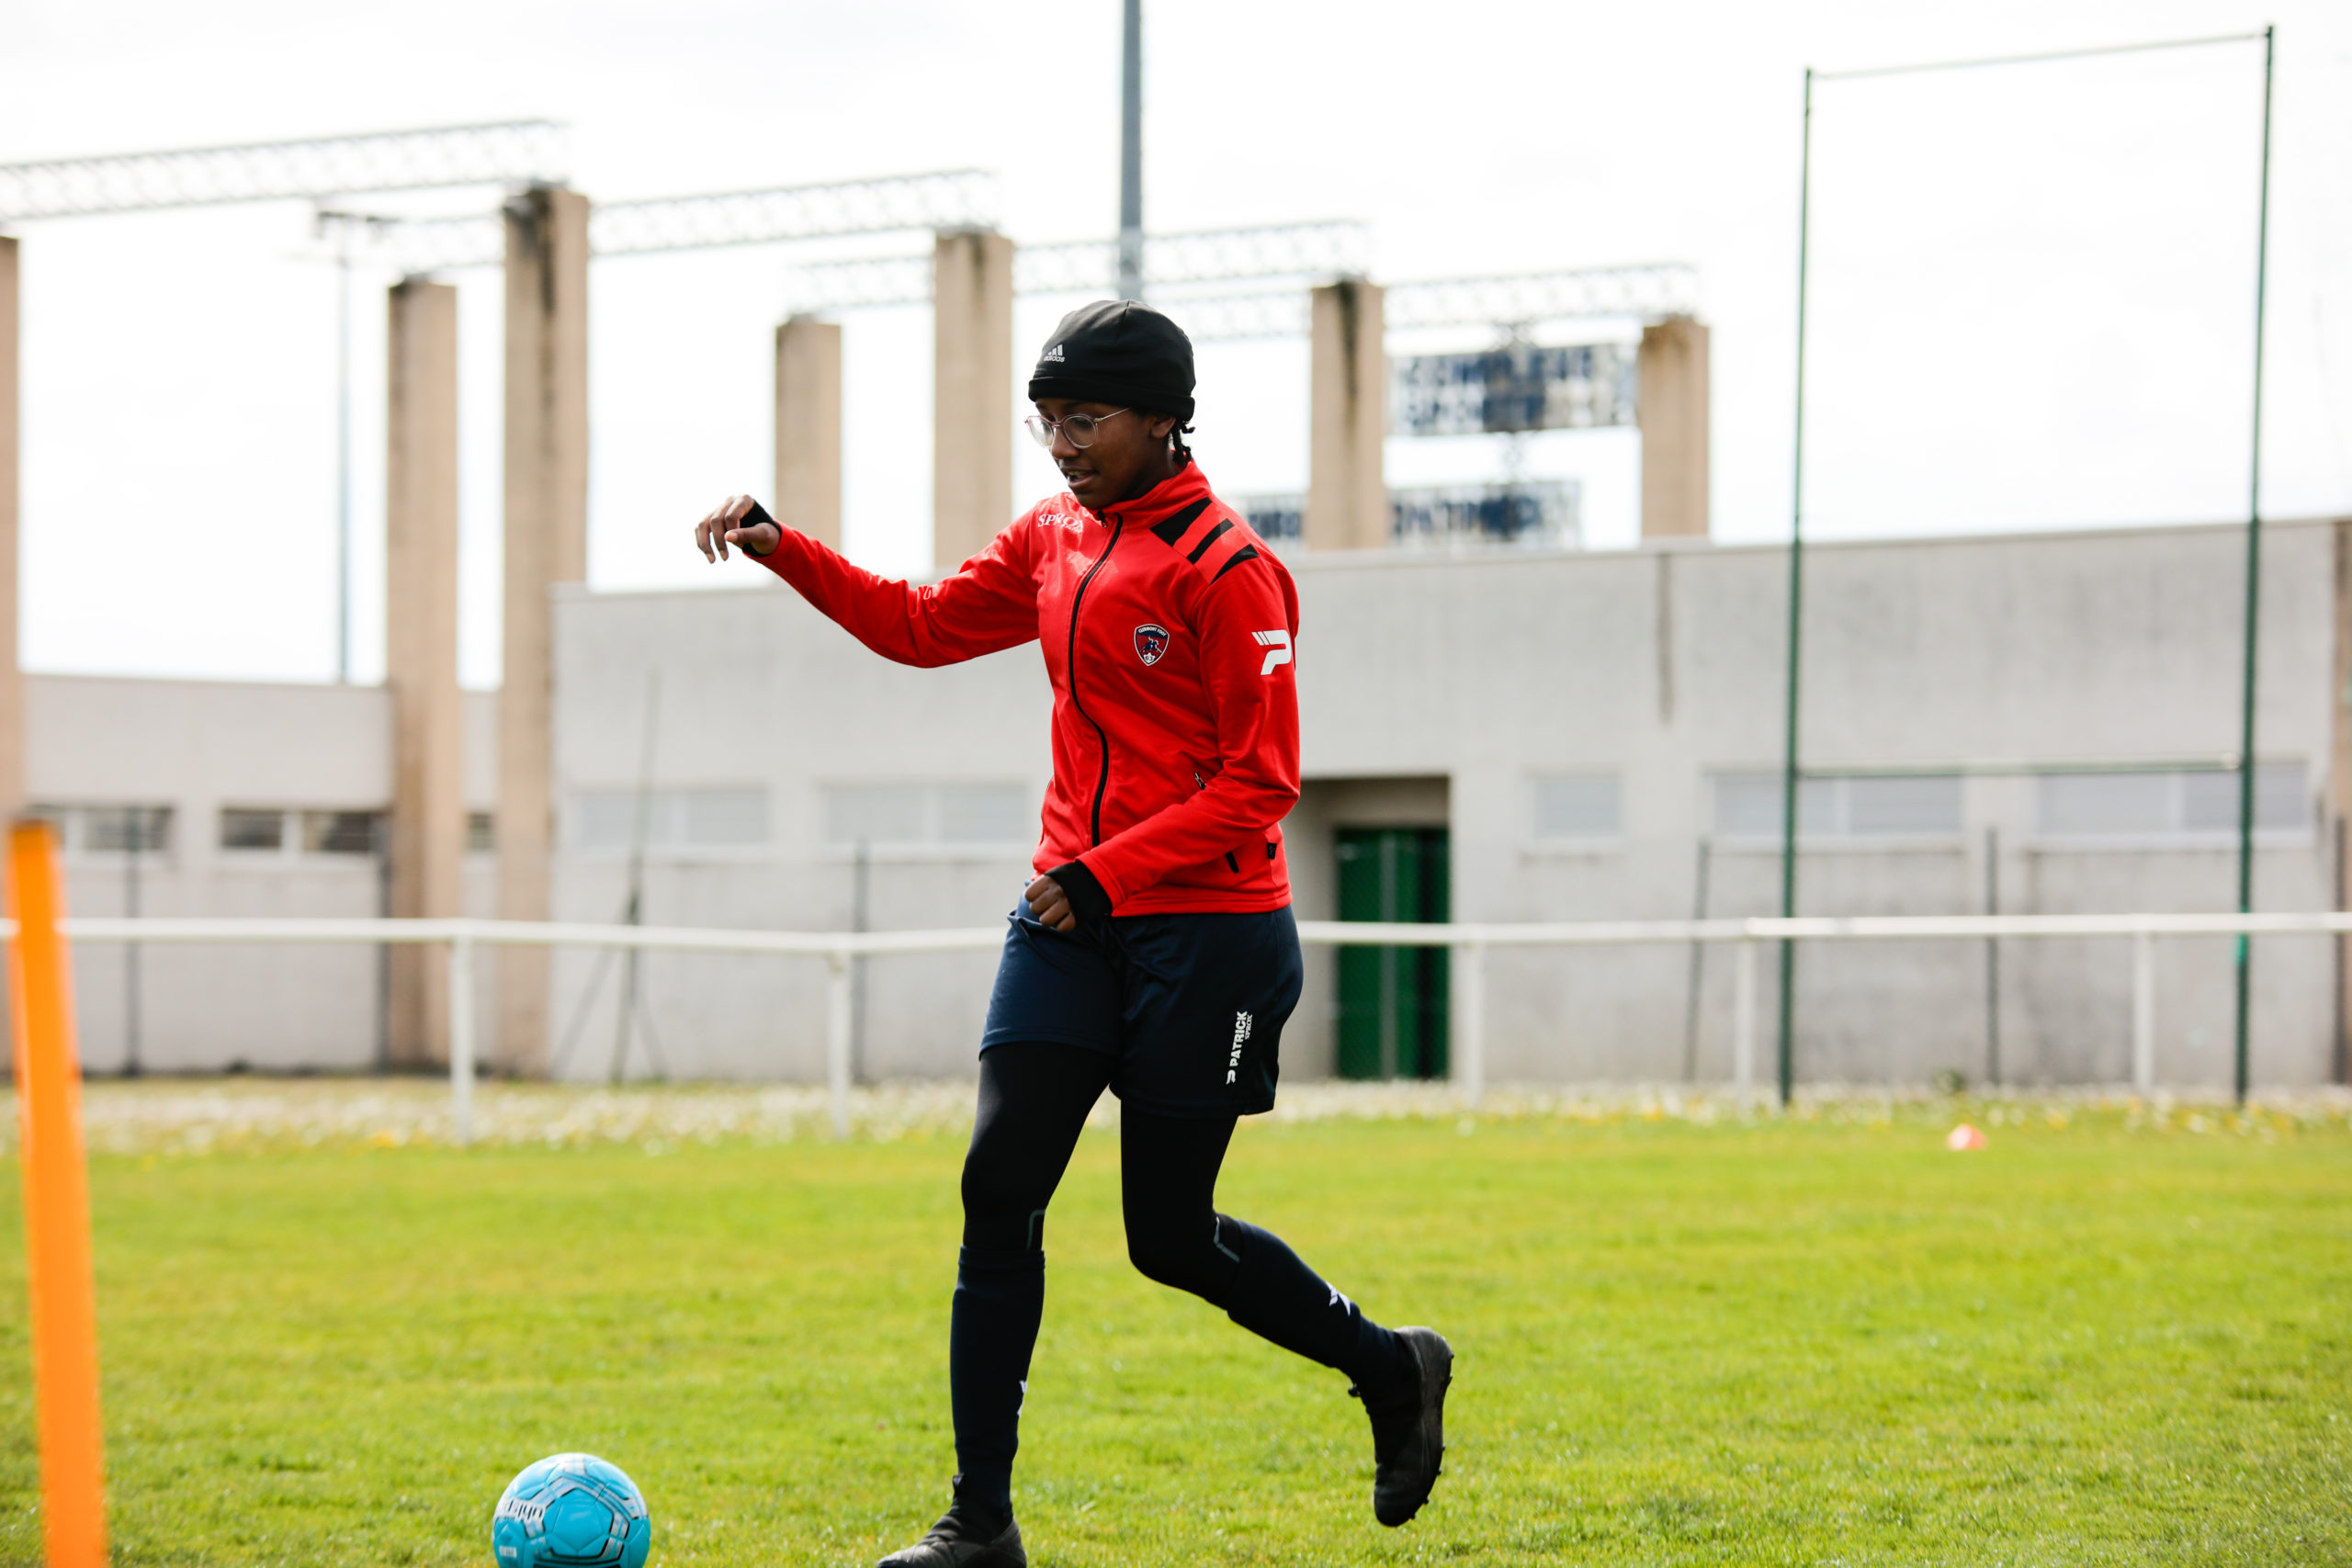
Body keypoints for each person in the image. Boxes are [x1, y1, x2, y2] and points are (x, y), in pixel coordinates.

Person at [694, 299, 1452, 1568]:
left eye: (1086, 419)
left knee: (1169, 1240)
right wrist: (786, 547)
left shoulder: (1230, 570)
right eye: (1046, 419)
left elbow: (1262, 785)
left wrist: (1107, 875)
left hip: (1206, 937)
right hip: (1067, 920)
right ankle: (979, 1524)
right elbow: (921, 626)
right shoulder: (1053, 535)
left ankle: (1390, 1367)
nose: (1061, 443)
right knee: (998, 1189)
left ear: (1164, 419)